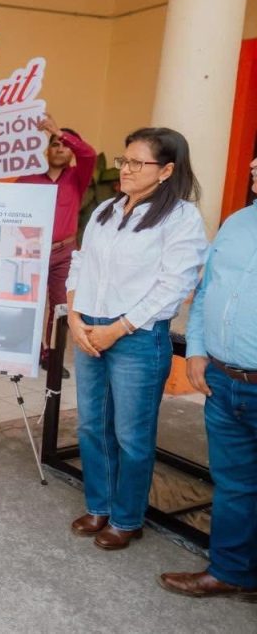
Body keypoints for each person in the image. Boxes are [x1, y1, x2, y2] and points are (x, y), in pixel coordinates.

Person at [66, 127, 207, 550]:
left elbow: (174, 286)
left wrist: (119, 328)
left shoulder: (181, 218)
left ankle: (126, 518)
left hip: (137, 337)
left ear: (166, 170)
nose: (125, 169)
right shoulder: (106, 209)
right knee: (92, 425)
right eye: (124, 160)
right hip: (90, 327)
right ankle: (99, 505)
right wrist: (74, 315)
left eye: (136, 163)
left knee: (131, 434)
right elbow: (81, 262)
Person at [158, 157, 257, 599]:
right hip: (223, 381)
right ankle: (231, 571)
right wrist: (196, 349)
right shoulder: (237, 223)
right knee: (234, 484)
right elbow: (206, 292)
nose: (253, 163)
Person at [16, 114, 97, 379]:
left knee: (61, 306)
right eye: (54, 144)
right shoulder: (28, 179)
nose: (60, 148)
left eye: (64, 145)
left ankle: (52, 356)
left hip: (64, 252)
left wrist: (59, 132)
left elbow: (89, 155)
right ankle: (31, 351)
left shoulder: (77, 178)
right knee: (28, 301)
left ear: (71, 151)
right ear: (47, 150)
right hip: (31, 250)